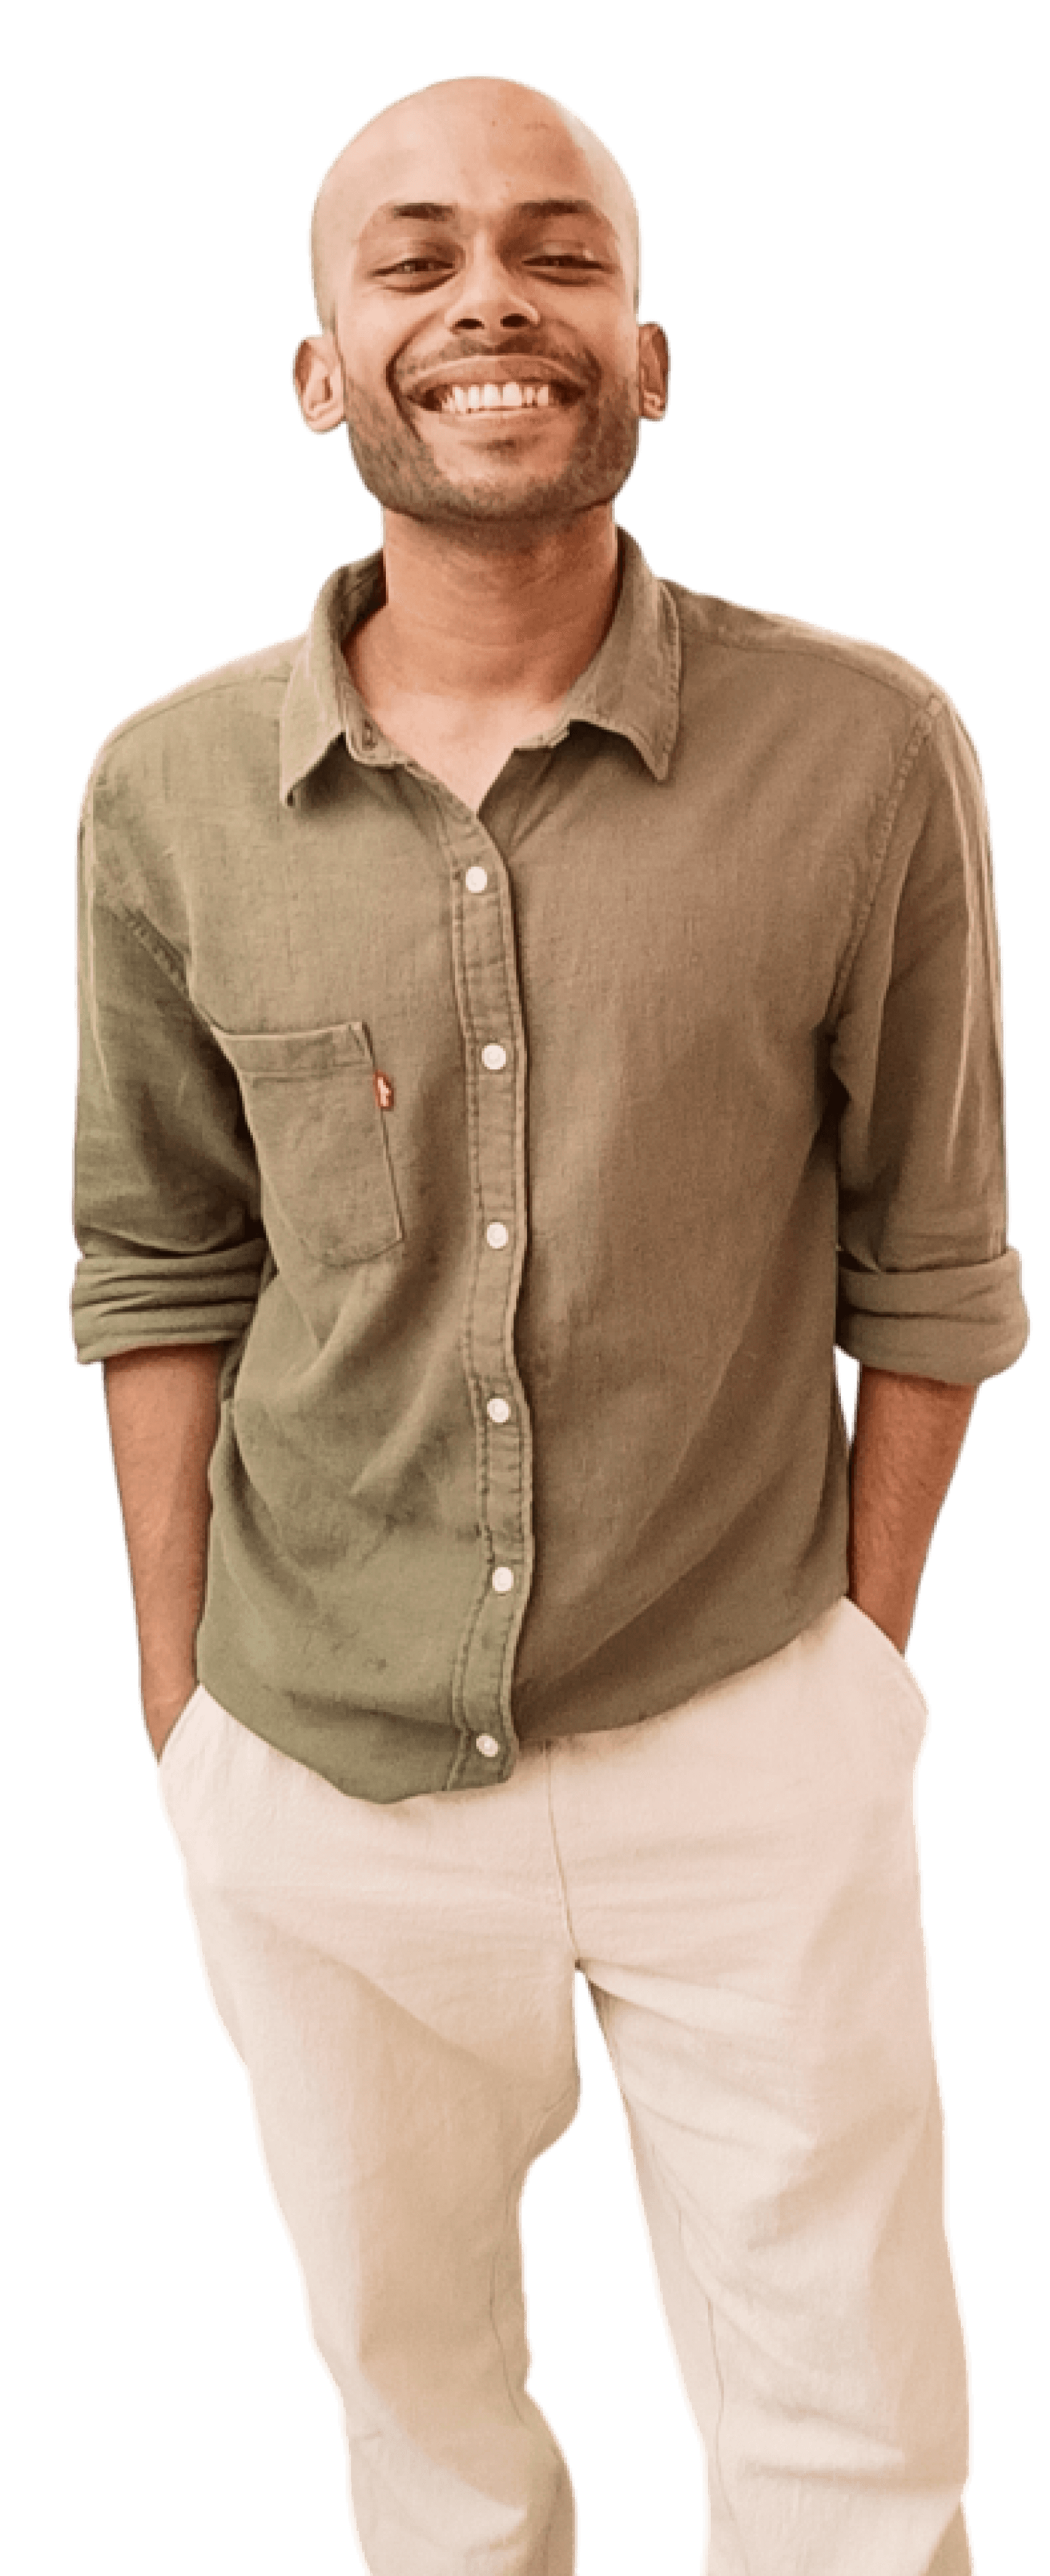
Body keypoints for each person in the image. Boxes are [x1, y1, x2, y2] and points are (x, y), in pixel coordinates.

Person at [69, 69, 1031, 2576]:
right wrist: (182, 1713)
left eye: (556, 252)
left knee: (853, 2466)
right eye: (411, 259)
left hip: (745, 1721)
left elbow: (933, 1254)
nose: (488, 298)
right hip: (317, 1770)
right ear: (321, 371)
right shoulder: (165, 793)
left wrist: (852, 1670)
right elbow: (161, 1261)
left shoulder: (865, 747)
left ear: (649, 355)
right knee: (428, 2460)